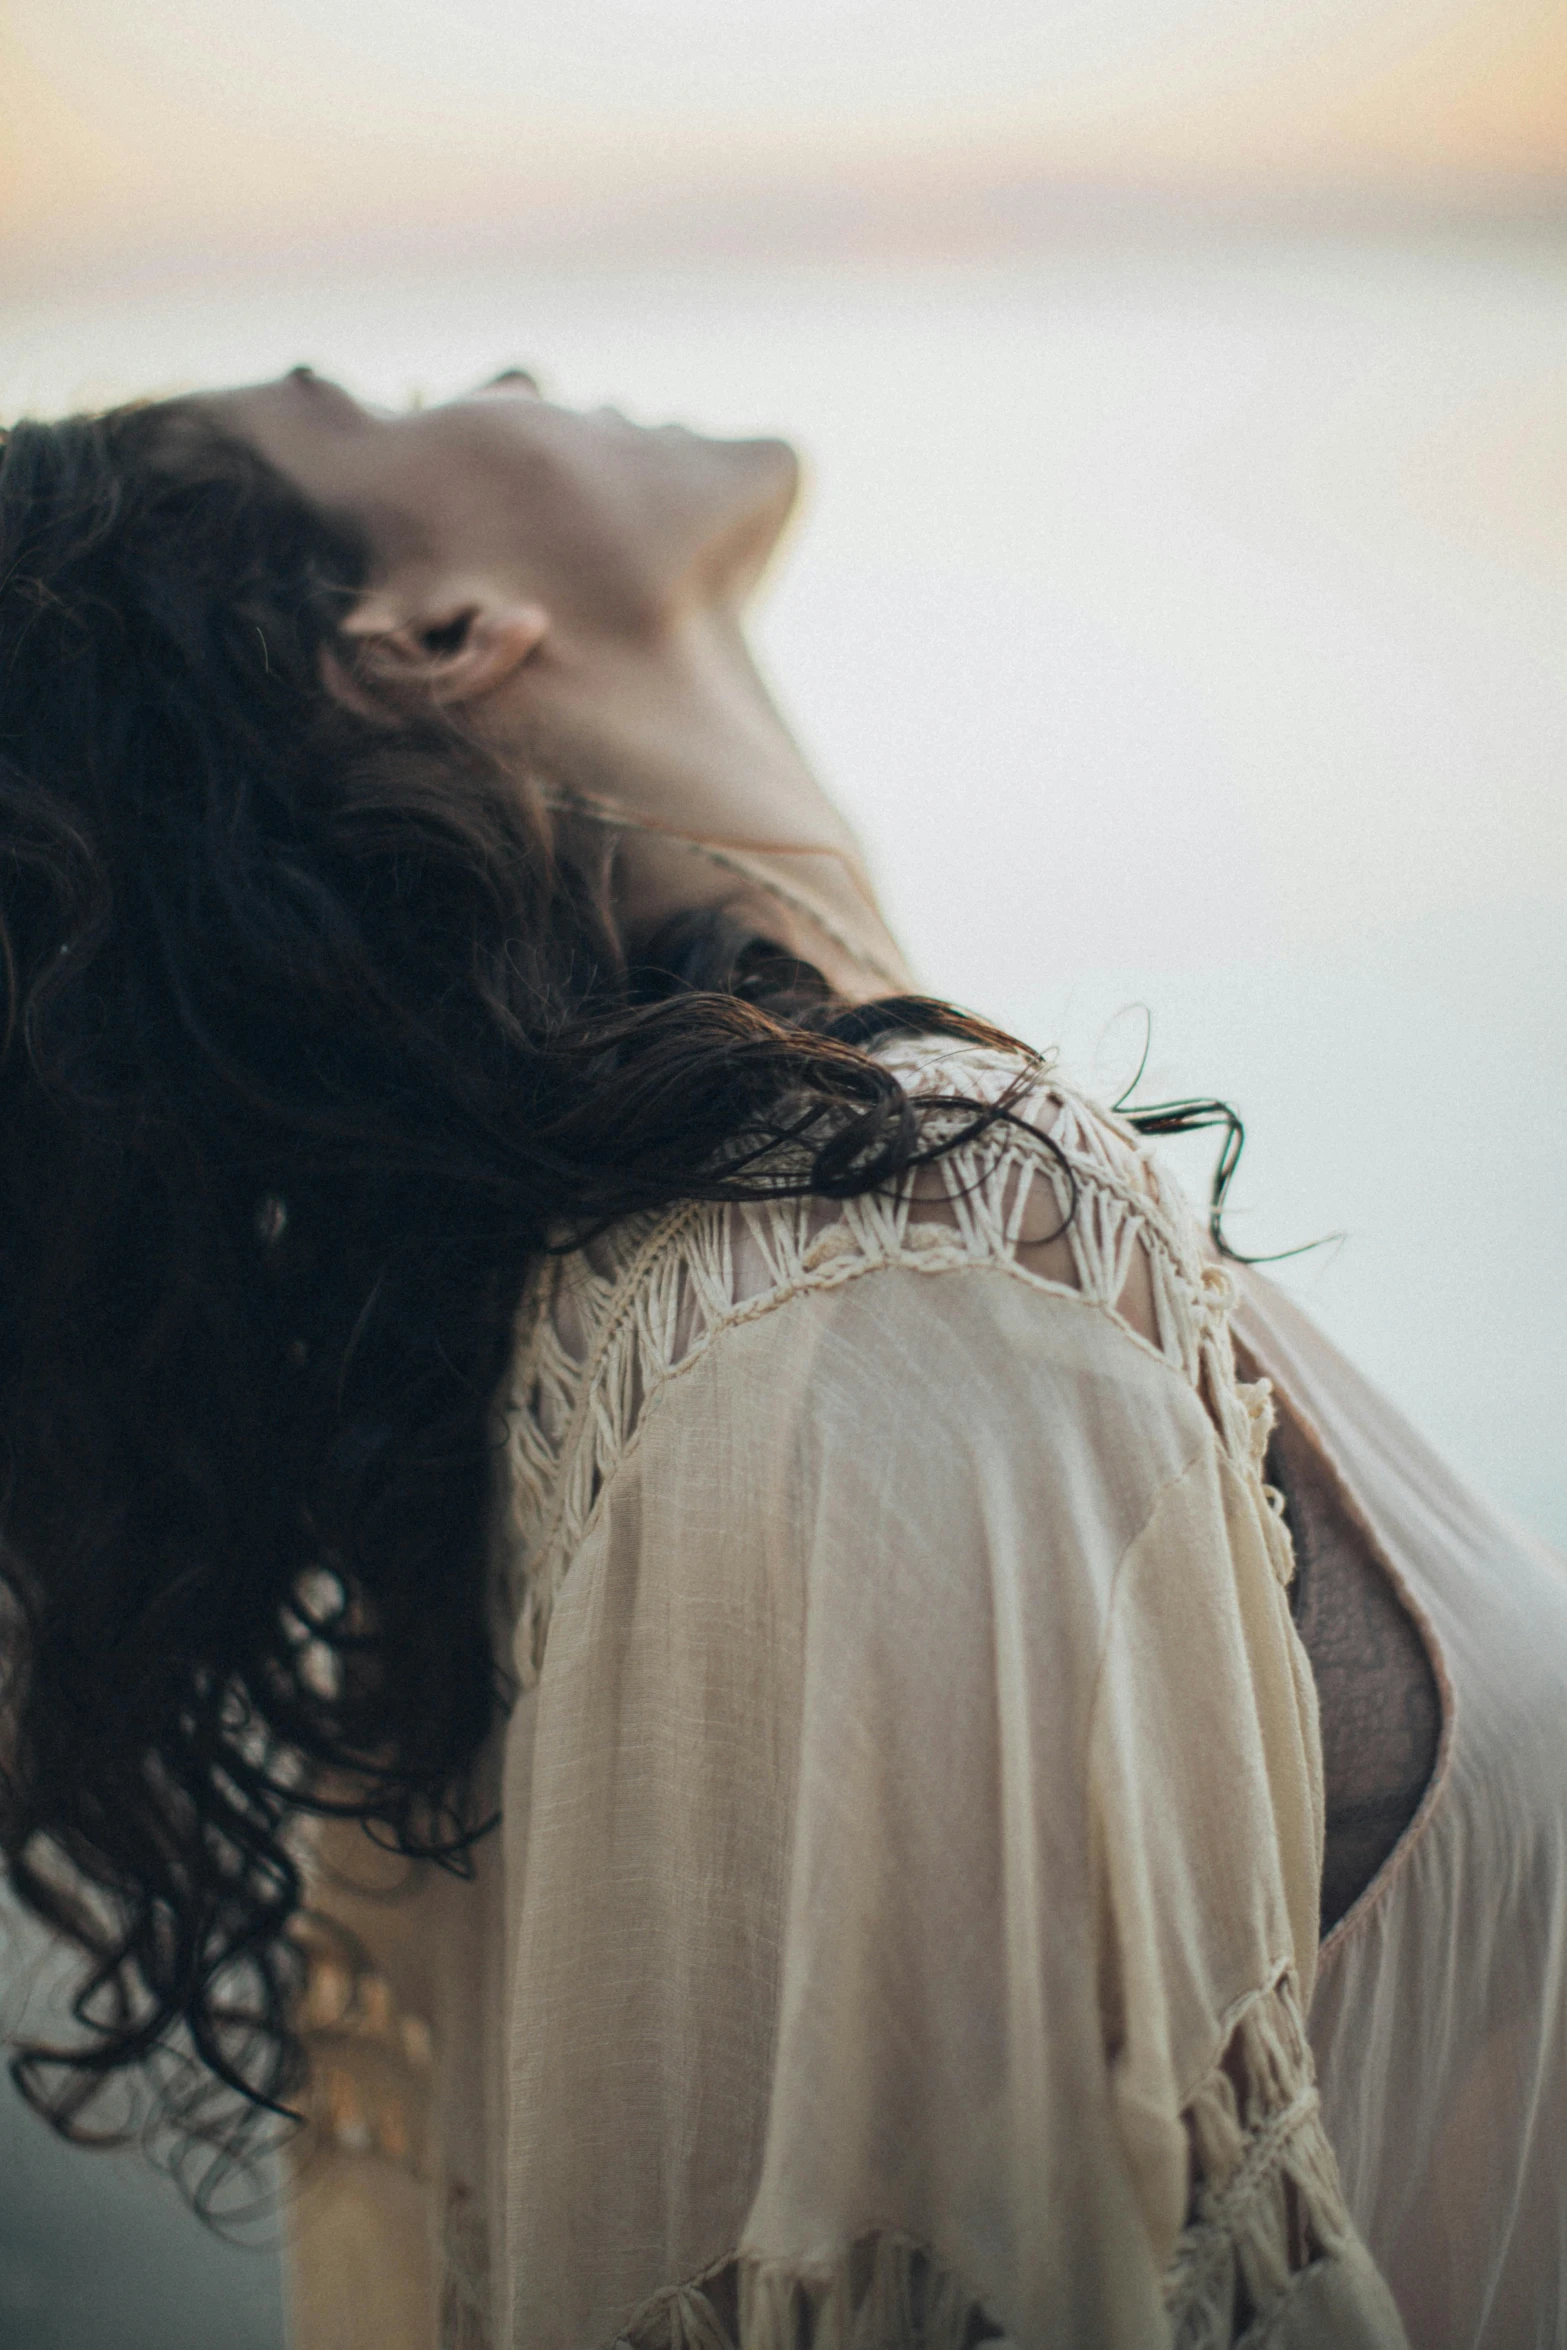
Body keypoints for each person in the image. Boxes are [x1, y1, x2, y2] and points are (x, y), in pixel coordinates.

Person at [0, 369, 1561, 2350]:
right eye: (368, 403)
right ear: (437, 638)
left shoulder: (688, 1275)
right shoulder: (888, 1280)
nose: (499, 370)